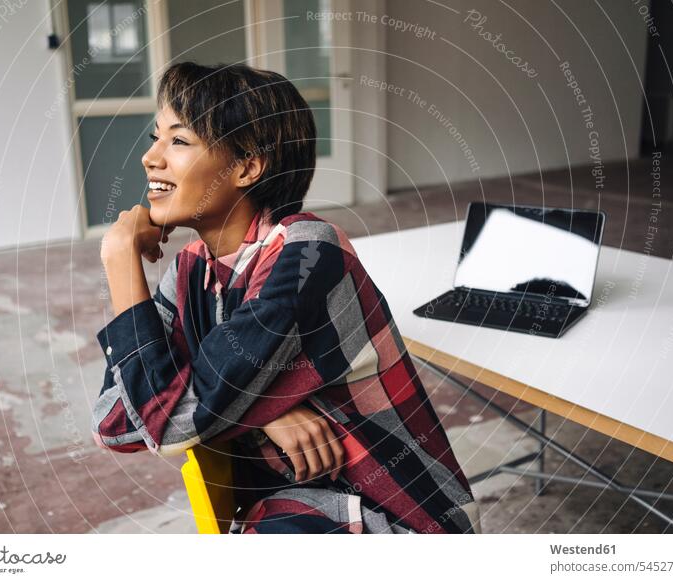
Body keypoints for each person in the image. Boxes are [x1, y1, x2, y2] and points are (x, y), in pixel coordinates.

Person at [93, 61, 480, 534]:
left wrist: (119, 257)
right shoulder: (191, 269)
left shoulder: (308, 253)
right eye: (156, 137)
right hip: (294, 504)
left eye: (178, 140)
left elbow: (167, 421)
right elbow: (116, 423)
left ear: (247, 166)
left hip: (397, 518)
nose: (150, 158)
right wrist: (263, 410)